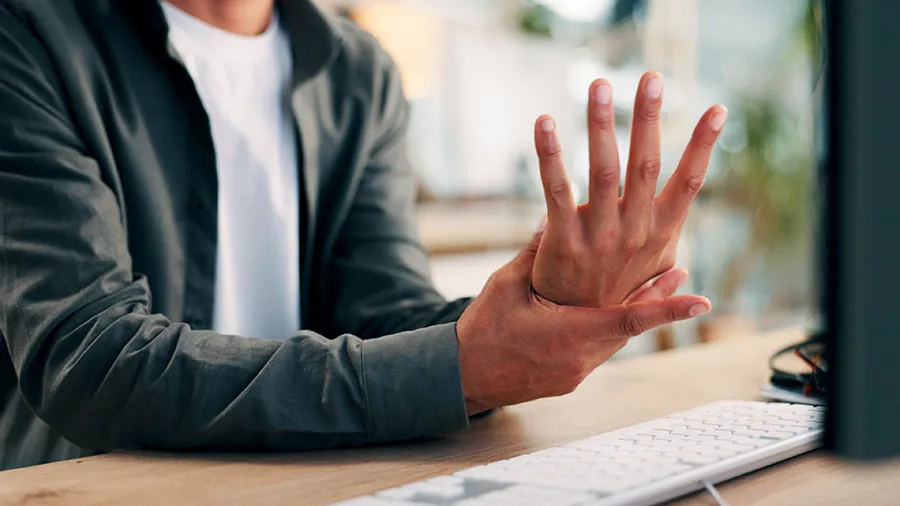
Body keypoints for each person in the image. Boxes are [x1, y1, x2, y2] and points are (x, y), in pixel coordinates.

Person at [0, 0, 726, 470]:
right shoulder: (29, 35)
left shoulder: (359, 72)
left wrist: (540, 308)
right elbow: (89, 357)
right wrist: (461, 368)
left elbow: (386, 316)